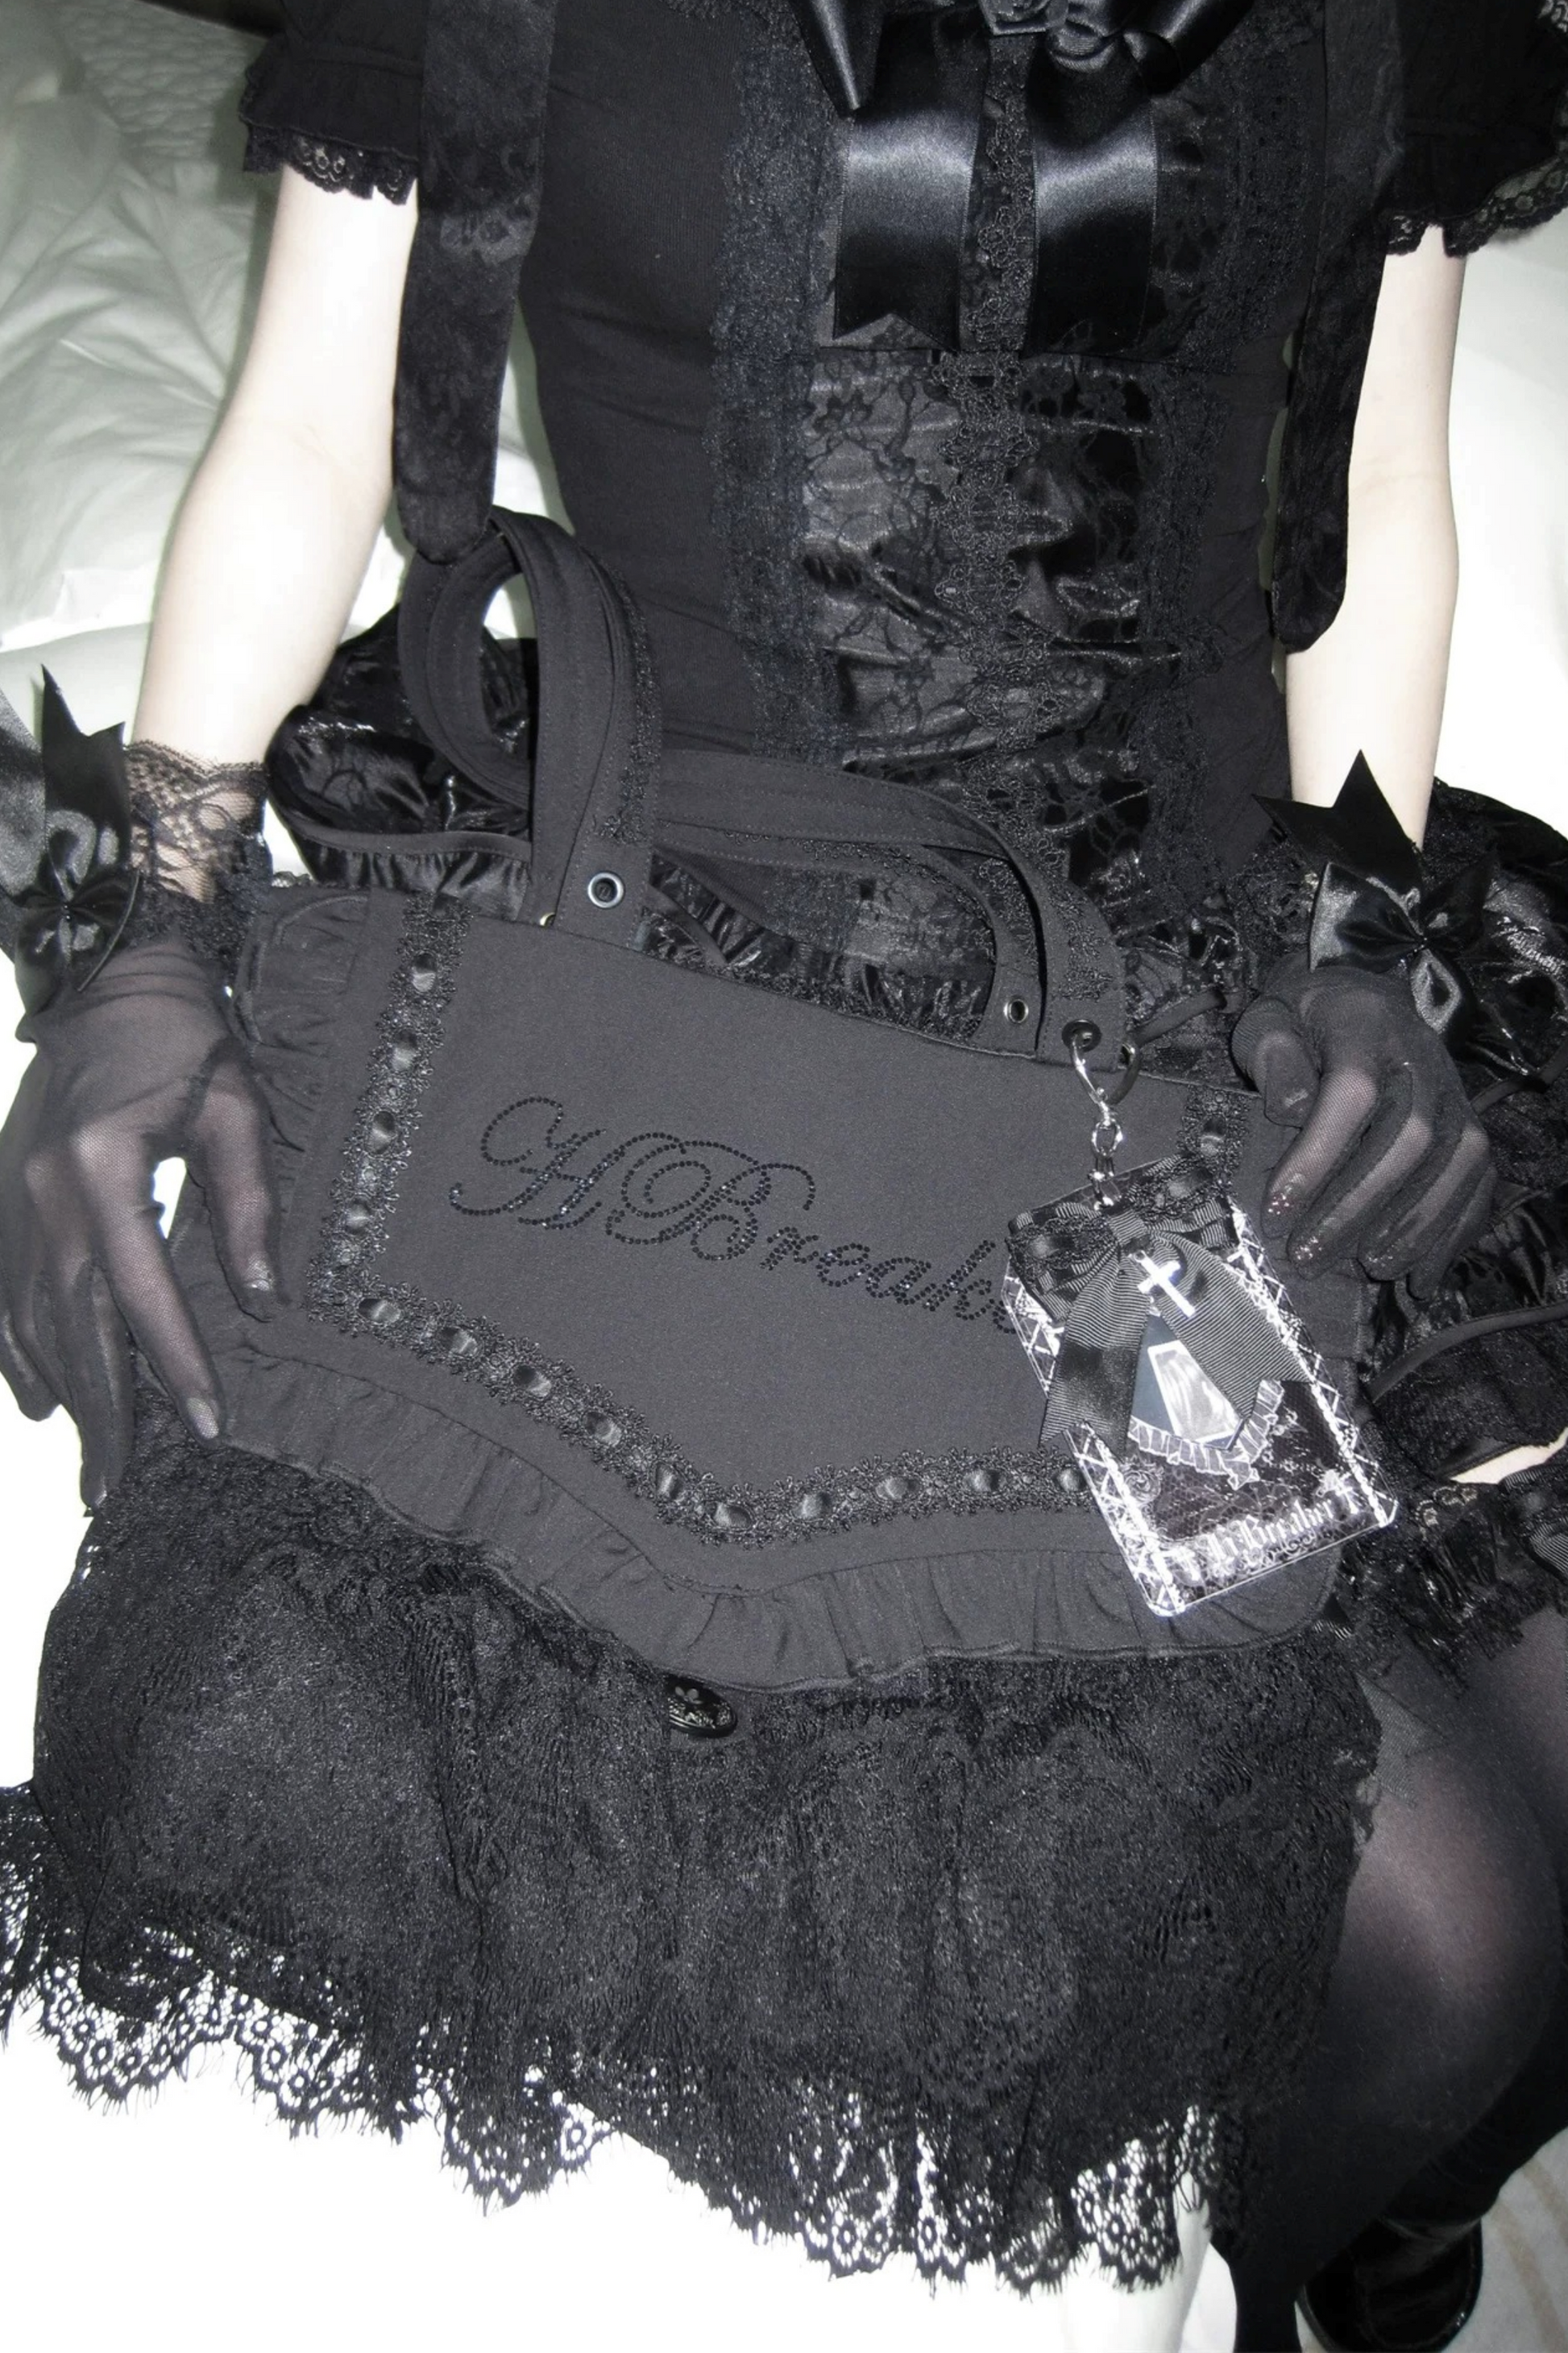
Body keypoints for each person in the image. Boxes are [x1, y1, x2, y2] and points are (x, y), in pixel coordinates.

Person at [1, 4, 1566, 2348]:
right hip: (716, 900)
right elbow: (313, 424)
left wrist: (1363, 933)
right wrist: (142, 927)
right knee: (1445, 1938)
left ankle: (1374, 2219)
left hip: (1233, 951)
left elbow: (1379, 493)